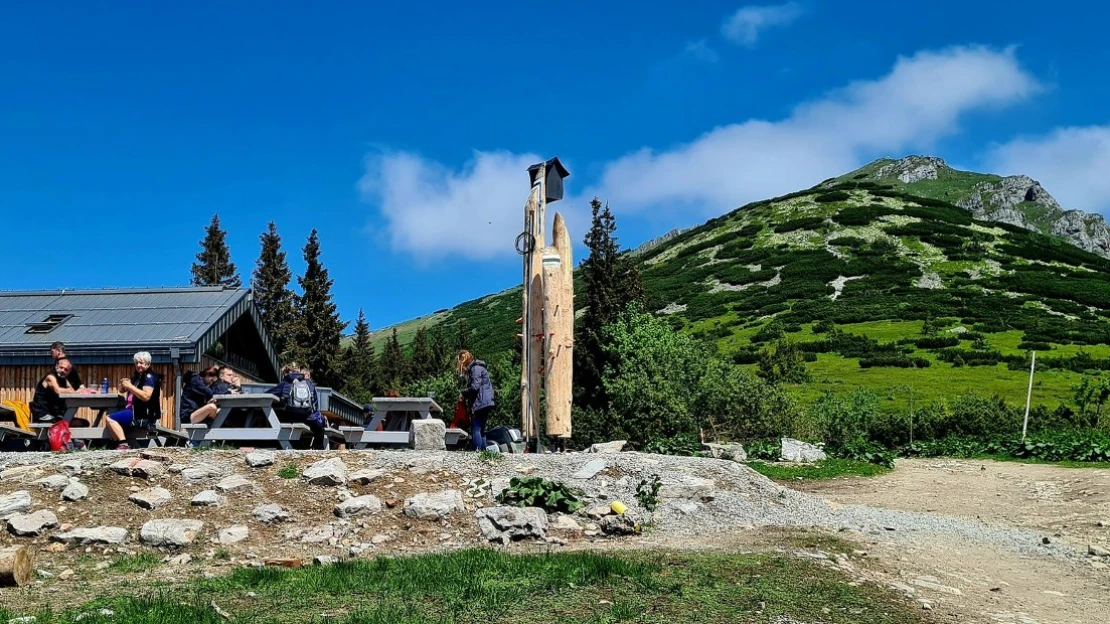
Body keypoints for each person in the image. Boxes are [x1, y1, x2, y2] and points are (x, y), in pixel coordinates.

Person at [104, 351, 161, 450]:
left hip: (142, 416)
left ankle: (123, 444)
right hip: (134, 412)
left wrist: (130, 386)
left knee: (109, 418)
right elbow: (122, 391)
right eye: (136, 363)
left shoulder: (149, 377)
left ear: (148, 364)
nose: (138, 365)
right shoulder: (137, 377)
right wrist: (123, 386)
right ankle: (117, 443)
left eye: (141, 363)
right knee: (113, 416)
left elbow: (146, 396)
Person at [266, 362, 328, 450]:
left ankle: (274, 446)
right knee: (320, 430)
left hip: (290, 418)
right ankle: (318, 450)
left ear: (286, 373)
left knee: (274, 418)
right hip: (308, 418)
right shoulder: (309, 384)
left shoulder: (285, 384)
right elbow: (314, 405)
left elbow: (268, 395)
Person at [457, 350, 494, 451]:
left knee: (476, 427)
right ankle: (483, 453)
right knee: (481, 429)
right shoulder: (478, 367)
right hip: (486, 401)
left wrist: (463, 393)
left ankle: (476, 452)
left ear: (464, 362)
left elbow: (475, 387)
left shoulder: (475, 369)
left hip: (481, 402)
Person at [30, 358, 75, 423]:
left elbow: (72, 390)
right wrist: (70, 390)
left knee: (83, 423)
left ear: (69, 371)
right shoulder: (50, 377)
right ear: (56, 366)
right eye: (61, 367)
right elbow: (58, 391)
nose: (63, 370)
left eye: (66, 369)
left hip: (55, 414)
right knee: (68, 423)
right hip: (44, 415)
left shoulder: (63, 379)